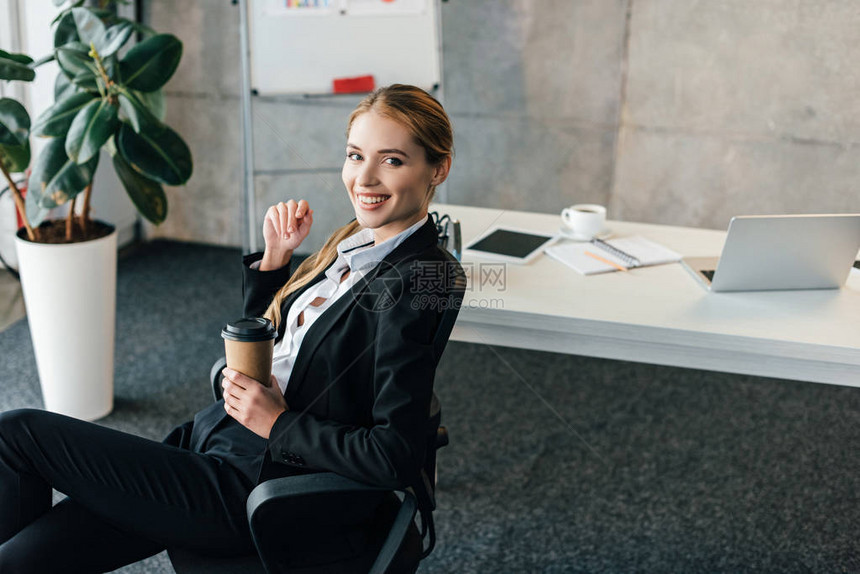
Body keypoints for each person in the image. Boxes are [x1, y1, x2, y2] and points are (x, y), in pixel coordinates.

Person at [0, 84, 460, 572]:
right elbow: (287, 348)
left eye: (392, 161)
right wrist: (276, 263)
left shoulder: (420, 278)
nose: (363, 178)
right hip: (209, 447)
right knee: (22, 560)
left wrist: (276, 423)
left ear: (438, 168)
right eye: (354, 155)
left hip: (249, 486)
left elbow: (395, 455)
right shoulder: (354, 241)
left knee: (16, 433)